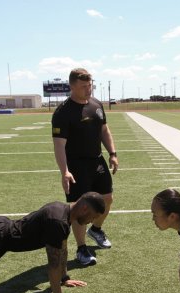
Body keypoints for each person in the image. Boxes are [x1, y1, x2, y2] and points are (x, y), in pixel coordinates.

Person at [51, 68, 118, 266]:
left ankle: (95, 230)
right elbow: (59, 145)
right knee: (79, 208)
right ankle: (81, 249)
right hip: (76, 165)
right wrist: (64, 171)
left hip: (97, 161)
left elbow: (104, 130)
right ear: (72, 86)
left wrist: (112, 154)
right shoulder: (63, 112)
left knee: (107, 199)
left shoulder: (96, 105)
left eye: (90, 86)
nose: (88, 90)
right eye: (83, 87)